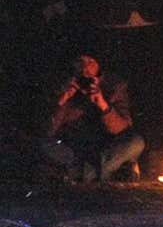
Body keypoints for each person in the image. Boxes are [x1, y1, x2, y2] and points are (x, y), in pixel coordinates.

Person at [43, 54, 145, 182]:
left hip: (104, 147)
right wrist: (62, 100)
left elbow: (124, 128)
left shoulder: (114, 86)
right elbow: (49, 130)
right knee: (43, 144)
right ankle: (101, 172)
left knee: (136, 142)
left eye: (90, 61)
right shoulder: (64, 85)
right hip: (75, 148)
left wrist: (102, 104)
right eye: (81, 62)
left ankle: (83, 173)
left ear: (98, 65)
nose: (85, 67)